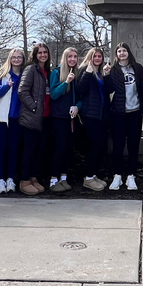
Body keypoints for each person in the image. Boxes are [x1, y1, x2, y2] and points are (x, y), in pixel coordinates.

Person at [105, 42, 143, 191]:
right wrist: (106, 75)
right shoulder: (114, 70)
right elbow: (108, 89)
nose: (122, 53)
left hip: (135, 113)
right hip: (118, 114)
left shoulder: (138, 68)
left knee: (133, 145)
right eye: (119, 51)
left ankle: (131, 176)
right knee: (118, 145)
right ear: (116, 55)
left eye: (124, 51)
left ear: (128, 52)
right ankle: (117, 175)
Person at [18, 42, 52, 196]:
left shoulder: (46, 71)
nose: (43, 55)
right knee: (29, 150)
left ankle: (33, 178)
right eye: (40, 52)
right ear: (35, 54)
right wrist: (34, 107)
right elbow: (22, 91)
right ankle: (24, 180)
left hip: (44, 118)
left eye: (45, 52)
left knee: (40, 150)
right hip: (31, 117)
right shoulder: (31, 69)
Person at [0, 47, 25, 194]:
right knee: (0, 149)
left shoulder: (25, 75)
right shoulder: (3, 74)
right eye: (14, 57)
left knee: (13, 149)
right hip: (1, 118)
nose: (16, 59)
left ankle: (10, 178)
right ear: (10, 58)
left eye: (19, 57)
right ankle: (0, 179)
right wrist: (7, 86)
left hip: (17, 118)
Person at [49, 47, 81, 193]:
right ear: (65, 58)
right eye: (70, 57)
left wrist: (77, 106)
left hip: (72, 117)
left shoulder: (77, 73)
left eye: (75, 56)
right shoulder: (57, 72)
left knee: (69, 148)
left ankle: (63, 177)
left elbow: (81, 97)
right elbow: (54, 94)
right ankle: (53, 179)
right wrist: (66, 82)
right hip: (59, 117)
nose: (73, 59)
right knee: (60, 148)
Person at [75, 47, 108, 191]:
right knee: (94, 147)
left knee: (100, 146)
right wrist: (88, 73)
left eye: (100, 56)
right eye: (95, 56)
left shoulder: (100, 73)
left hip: (100, 115)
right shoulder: (85, 70)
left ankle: (93, 175)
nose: (97, 58)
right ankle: (88, 178)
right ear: (90, 57)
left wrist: (106, 76)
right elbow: (80, 90)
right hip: (90, 115)